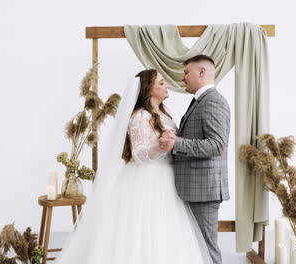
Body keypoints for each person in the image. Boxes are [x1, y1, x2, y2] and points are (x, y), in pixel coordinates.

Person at [54, 69, 212, 264]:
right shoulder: (140, 117)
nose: (167, 85)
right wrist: (161, 147)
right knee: (142, 229)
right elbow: (139, 154)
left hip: (167, 178)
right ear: (148, 89)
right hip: (146, 179)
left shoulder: (164, 114)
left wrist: (171, 143)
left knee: (165, 229)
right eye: (161, 83)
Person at [159, 55, 231, 264]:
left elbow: (216, 145)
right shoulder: (201, 101)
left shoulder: (213, 102)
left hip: (204, 190)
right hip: (195, 188)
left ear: (201, 72)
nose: (183, 78)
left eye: (186, 72)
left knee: (206, 247)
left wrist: (176, 144)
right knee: (195, 246)